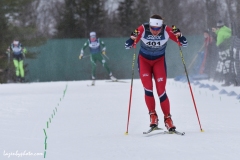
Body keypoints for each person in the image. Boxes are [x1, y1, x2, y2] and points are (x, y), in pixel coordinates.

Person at [125, 14, 188, 131]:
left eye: (157, 29)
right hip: (144, 62)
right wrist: (131, 41)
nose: (155, 31)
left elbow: (183, 43)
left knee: (161, 91)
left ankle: (168, 119)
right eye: (152, 28)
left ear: (161, 27)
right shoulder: (143, 29)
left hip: (159, 62)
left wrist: (181, 36)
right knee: (148, 88)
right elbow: (131, 43)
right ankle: (153, 115)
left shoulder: (167, 30)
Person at [212, 20, 236, 86]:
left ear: (218, 27)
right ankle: (233, 80)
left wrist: (215, 38)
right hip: (230, 50)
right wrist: (216, 32)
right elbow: (222, 32)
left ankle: (227, 82)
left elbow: (218, 44)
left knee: (226, 66)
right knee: (231, 66)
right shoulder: (228, 30)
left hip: (224, 51)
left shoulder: (220, 34)